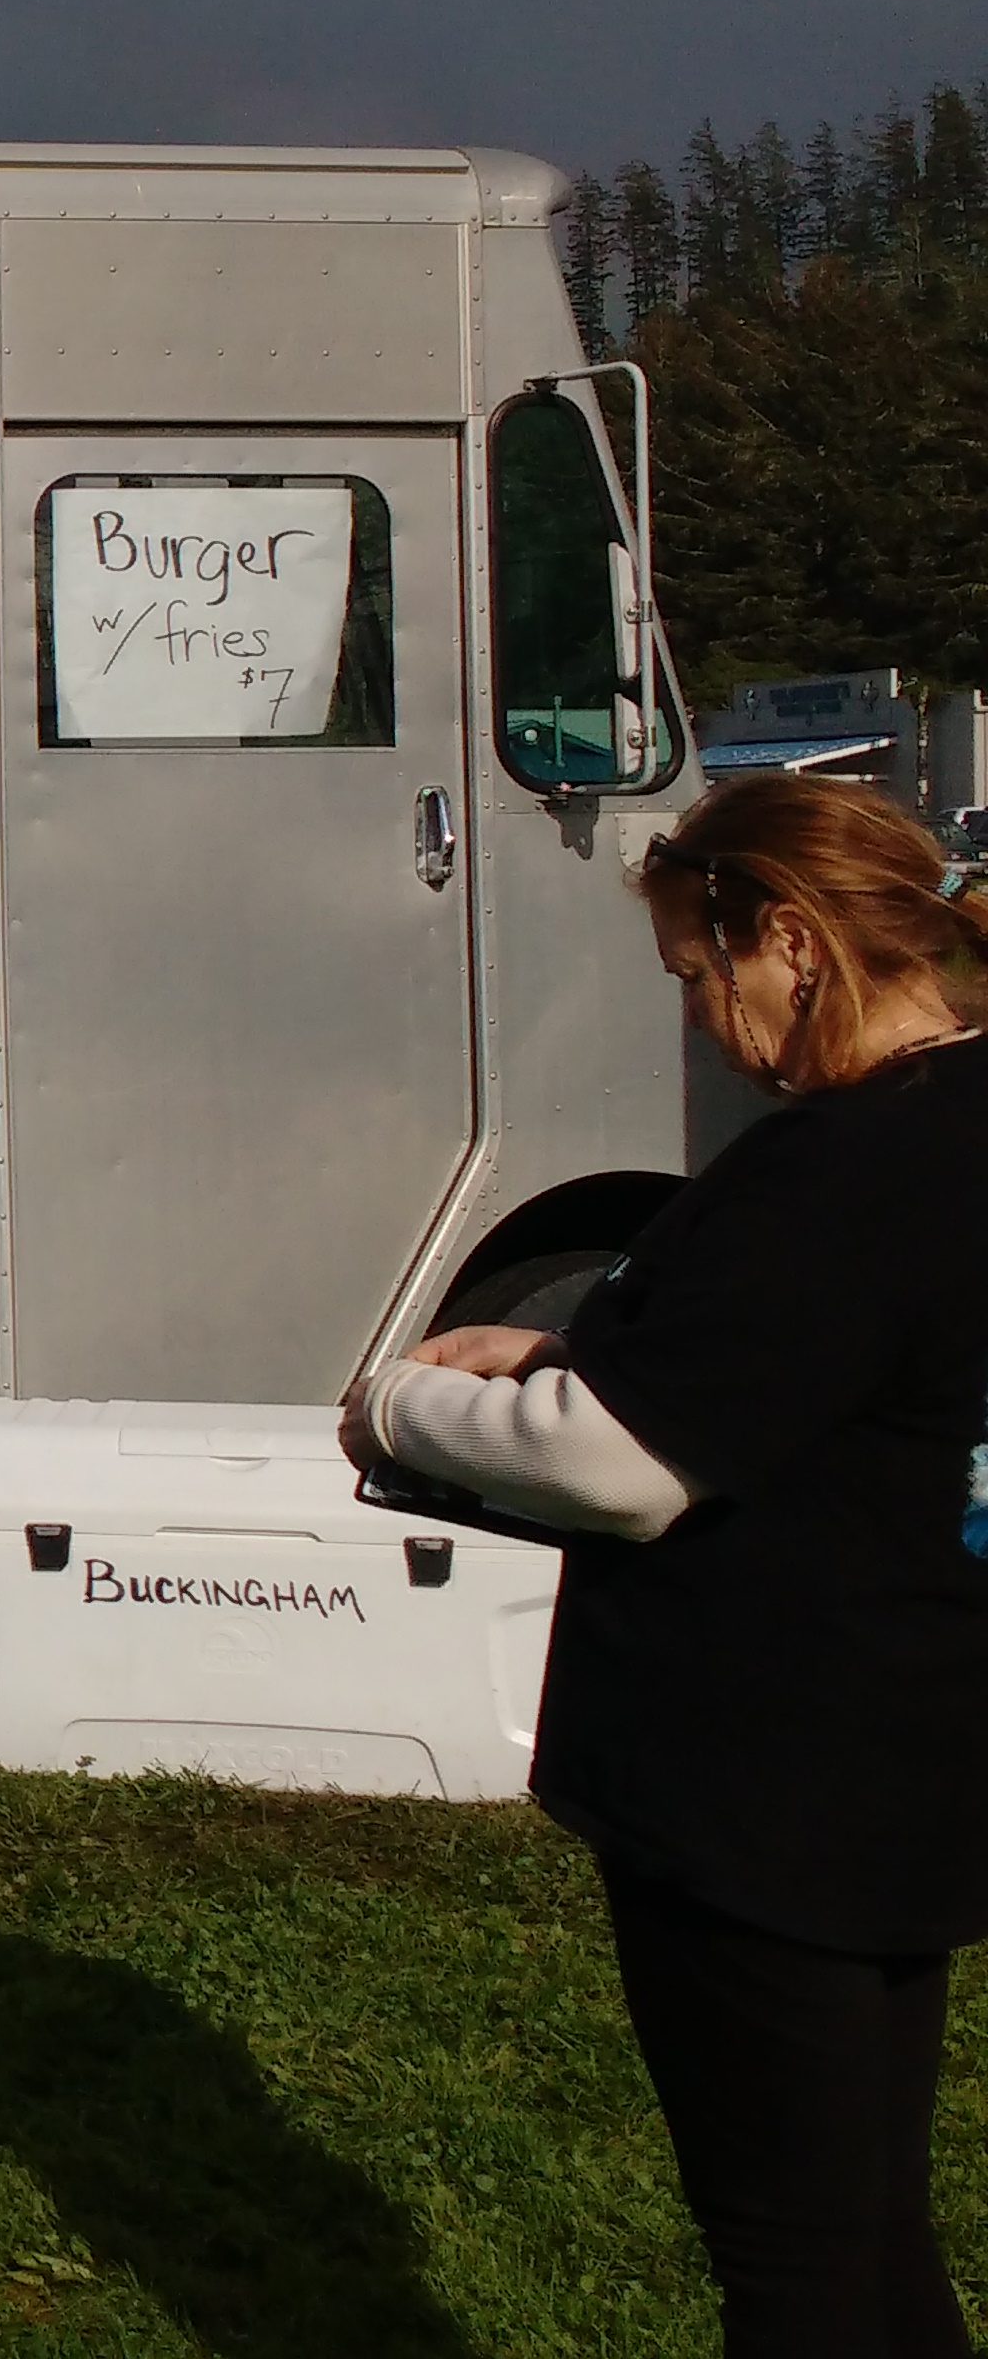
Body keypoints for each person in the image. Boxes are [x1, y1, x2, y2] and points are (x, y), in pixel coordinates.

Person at [344, 772, 988, 2355]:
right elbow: (806, 1356)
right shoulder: (960, 1121)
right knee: (872, 2233)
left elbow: (619, 1468)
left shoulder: (835, 1169)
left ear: (791, 938)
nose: (706, 1022)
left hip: (770, 1783)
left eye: (704, 981)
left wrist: (403, 1407)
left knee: (796, 2270)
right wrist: (564, 1339)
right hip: (927, 1754)